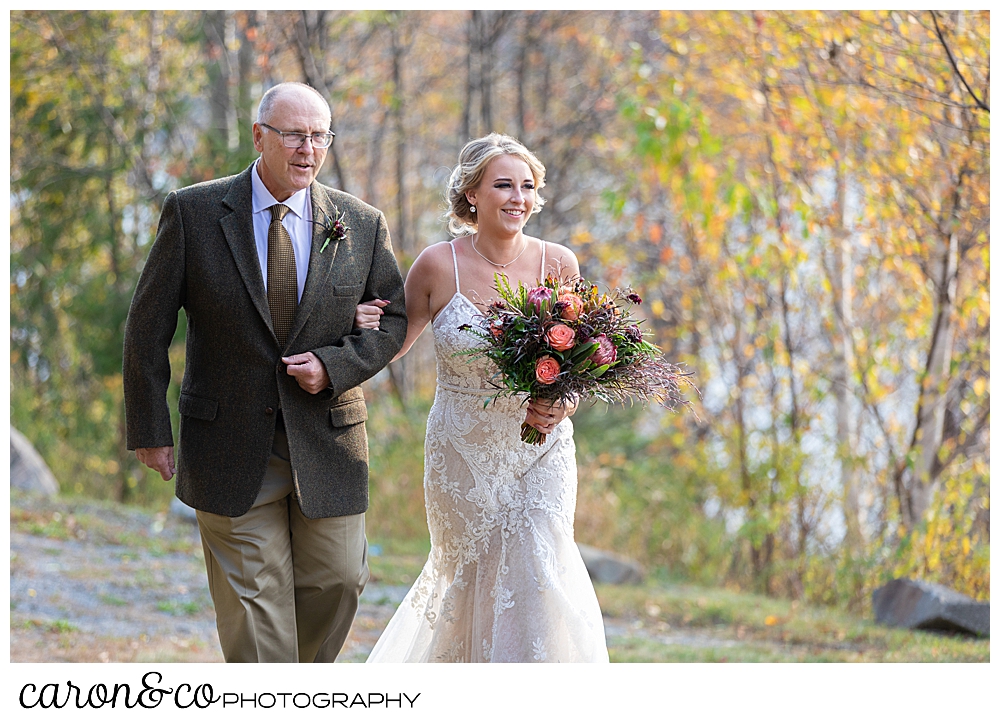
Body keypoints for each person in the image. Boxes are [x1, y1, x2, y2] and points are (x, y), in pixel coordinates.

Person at [122, 82, 407, 663]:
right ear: (259, 136)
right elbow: (147, 327)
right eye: (294, 135)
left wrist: (333, 365)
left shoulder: (360, 223)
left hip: (327, 440)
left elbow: (394, 319)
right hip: (225, 440)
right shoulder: (194, 212)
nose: (308, 149)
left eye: (319, 136)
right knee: (255, 607)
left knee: (339, 581)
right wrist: (150, 429)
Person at [356, 133, 609, 662]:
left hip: (541, 448)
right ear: (471, 193)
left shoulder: (559, 264)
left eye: (527, 186)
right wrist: (356, 328)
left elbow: (577, 370)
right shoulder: (436, 265)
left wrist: (563, 404)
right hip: (461, 451)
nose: (518, 197)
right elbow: (391, 347)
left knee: (541, 566)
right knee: (468, 583)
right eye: (503, 185)